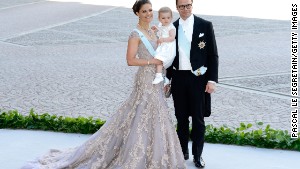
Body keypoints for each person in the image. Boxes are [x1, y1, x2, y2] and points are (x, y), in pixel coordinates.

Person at [21, 0, 187, 168]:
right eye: (144, 11)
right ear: (137, 13)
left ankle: (156, 154)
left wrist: (166, 76)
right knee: (142, 112)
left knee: (155, 113)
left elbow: (165, 53)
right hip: (145, 79)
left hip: (157, 80)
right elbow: (130, 60)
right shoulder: (135, 34)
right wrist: (152, 61)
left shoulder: (154, 32)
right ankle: (136, 154)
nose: (148, 14)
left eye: (150, 10)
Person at [165, 0, 219, 168]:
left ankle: (197, 155)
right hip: (178, 78)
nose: (185, 9)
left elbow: (213, 55)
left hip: (198, 79)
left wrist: (211, 80)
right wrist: (167, 79)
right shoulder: (171, 28)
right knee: (181, 119)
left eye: (188, 5)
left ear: (192, 5)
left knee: (198, 118)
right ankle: (182, 152)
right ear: (177, 8)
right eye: (182, 6)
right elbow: (166, 56)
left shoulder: (205, 25)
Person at [151, 7, 176, 85]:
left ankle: (159, 76)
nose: (166, 20)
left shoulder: (171, 27)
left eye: (168, 18)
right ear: (159, 18)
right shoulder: (161, 25)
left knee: (159, 59)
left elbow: (172, 38)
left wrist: (163, 40)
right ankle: (164, 78)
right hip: (163, 46)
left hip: (168, 47)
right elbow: (161, 32)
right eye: (163, 18)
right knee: (159, 61)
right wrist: (156, 29)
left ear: (171, 18)